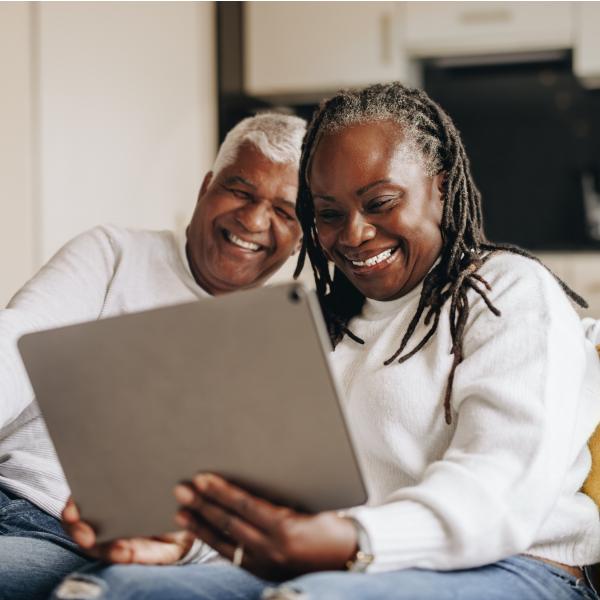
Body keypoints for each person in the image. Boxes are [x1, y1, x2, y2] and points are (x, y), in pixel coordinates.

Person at [54, 82, 600, 600]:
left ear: (441, 185)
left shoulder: (505, 292)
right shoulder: (314, 319)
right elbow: (273, 503)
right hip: (338, 568)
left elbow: (501, 490)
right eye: (329, 214)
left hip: (518, 567)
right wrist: (187, 539)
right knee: (109, 588)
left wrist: (348, 539)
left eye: (380, 202)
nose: (354, 234)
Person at [0, 112, 305, 600]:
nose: (252, 221)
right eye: (241, 191)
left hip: (65, 536)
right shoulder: (113, 253)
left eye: (284, 212)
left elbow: (241, 518)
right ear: (206, 187)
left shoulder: (283, 342)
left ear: (300, 237)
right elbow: (16, 341)